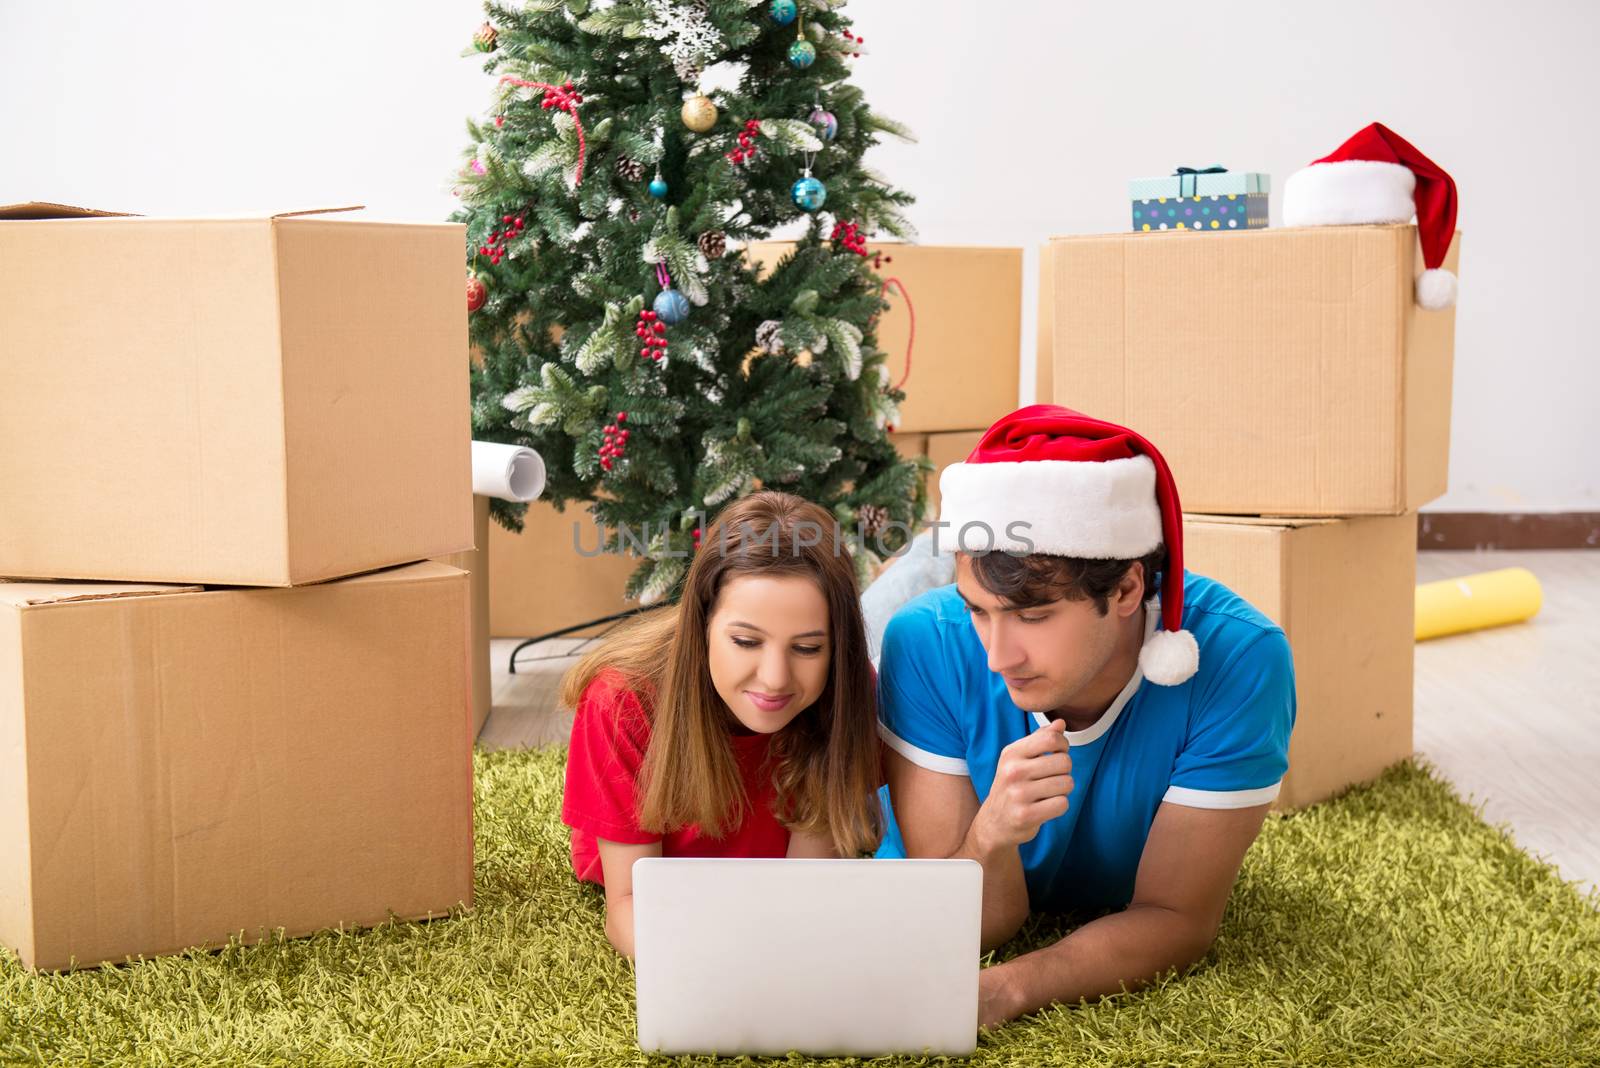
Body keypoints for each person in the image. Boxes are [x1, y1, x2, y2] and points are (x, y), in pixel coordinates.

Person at [875, 405, 1296, 1029]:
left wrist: (1007, 990)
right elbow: (972, 924)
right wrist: (990, 833)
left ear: (1126, 590)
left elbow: (1175, 918)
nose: (997, 655)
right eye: (978, 610)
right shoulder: (926, 641)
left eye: (1033, 616)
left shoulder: (1241, 661)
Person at [559, 491, 883, 957]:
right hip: (653, 876)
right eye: (746, 641)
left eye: (808, 648)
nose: (775, 680)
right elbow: (629, 903)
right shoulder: (621, 701)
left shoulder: (848, 692)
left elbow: (800, 893)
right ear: (702, 623)